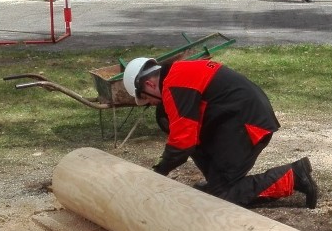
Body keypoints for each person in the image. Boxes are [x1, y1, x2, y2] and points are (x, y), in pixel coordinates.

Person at [121, 57, 318, 209]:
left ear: (148, 85)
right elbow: (187, 133)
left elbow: (183, 142)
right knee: (192, 145)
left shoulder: (175, 85)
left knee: (223, 194)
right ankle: (218, 181)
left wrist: (159, 171)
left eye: (146, 99)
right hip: (237, 118)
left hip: (249, 125)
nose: (151, 103)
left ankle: (293, 177)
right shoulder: (178, 73)